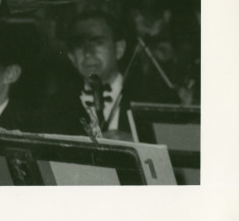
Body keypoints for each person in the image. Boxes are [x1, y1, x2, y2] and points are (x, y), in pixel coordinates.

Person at [41, 9, 178, 138]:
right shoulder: (54, 108)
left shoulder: (158, 98)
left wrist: (139, 145)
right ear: (72, 58)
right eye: (79, 45)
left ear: (119, 49)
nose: (88, 53)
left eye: (98, 43)